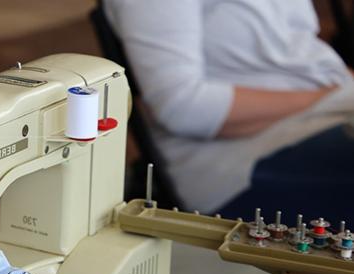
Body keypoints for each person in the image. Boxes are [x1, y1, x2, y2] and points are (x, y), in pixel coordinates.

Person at [105, 0, 354, 225]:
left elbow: (304, 58)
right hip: (243, 163)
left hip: (324, 117)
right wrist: (327, 96)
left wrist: (338, 90)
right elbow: (183, 107)